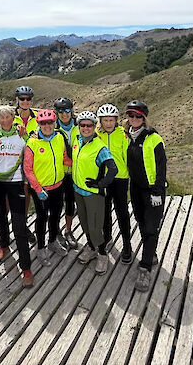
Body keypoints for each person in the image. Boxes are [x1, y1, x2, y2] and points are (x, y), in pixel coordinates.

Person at [0, 105, 34, 287]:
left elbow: (32, 149)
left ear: (13, 118)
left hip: (16, 183)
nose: (5, 120)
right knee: (0, 216)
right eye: (2, 117)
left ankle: (26, 268)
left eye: (8, 116)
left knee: (19, 224)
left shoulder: (22, 134)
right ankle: (4, 244)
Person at [124, 100, 167, 292]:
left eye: (138, 116)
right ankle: (152, 253)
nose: (134, 119)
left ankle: (145, 267)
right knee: (141, 222)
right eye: (131, 115)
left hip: (152, 190)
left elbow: (161, 168)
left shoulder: (154, 139)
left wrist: (157, 192)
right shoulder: (129, 137)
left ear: (144, 118)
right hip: (135, 189)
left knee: (151, 227)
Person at [23, 108, 71, 266]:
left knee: (56, 216)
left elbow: (64, 158)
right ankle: (41, 247)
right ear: (39, 124)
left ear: (54, 123)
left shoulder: (59, 138)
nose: (47, 126)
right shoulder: (32, 142)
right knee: (42, 218)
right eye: (43, 123)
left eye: (50, 122)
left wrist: (80, 162)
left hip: (58, 185)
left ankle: (52, 241)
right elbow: (28, 169)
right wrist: (37, 189)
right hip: (41, 189)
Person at [72, 111, 117, 275]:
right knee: (84, 223)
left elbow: (113, 169)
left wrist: (101, 184)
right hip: (78, 190)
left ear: (94, 126)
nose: (85, 128)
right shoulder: (77, 141)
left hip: (93, 194)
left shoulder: (100, 146)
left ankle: (103, 254)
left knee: (95, 226)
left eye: (89, 125)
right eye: (82, 125)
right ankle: (91, 248)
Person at [96, 103, 133, 264]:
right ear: (100, 121)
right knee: (104, 212)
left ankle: (127, 244)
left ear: (116, 120)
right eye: (105, 120)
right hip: (104, 179)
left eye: (111, 120)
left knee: (122, 212)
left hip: (120, 179)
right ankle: (107, 236)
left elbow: (129, 157)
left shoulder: (123, 135)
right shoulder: (96, 134)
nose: (109, 123)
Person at [13, 85, 39, 246]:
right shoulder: (9, 116)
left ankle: (23, 227)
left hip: (32, 164)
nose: (25, 101)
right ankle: (14, 228)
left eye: (28, 98)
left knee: (28, 197)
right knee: (15, 198)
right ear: (17, 100)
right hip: (14, 164)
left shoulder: (37, 119)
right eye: (22, 98)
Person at [53, 97, 79, 250]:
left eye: (67, 110)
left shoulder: (79, 125)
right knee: (56, 204)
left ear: (71, 111)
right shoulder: (52, 127)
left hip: (75, 172)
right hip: (58, 173)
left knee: (70, 203)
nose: (64, 114)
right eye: (60, 111)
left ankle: (68, 230)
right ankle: (56, 231)